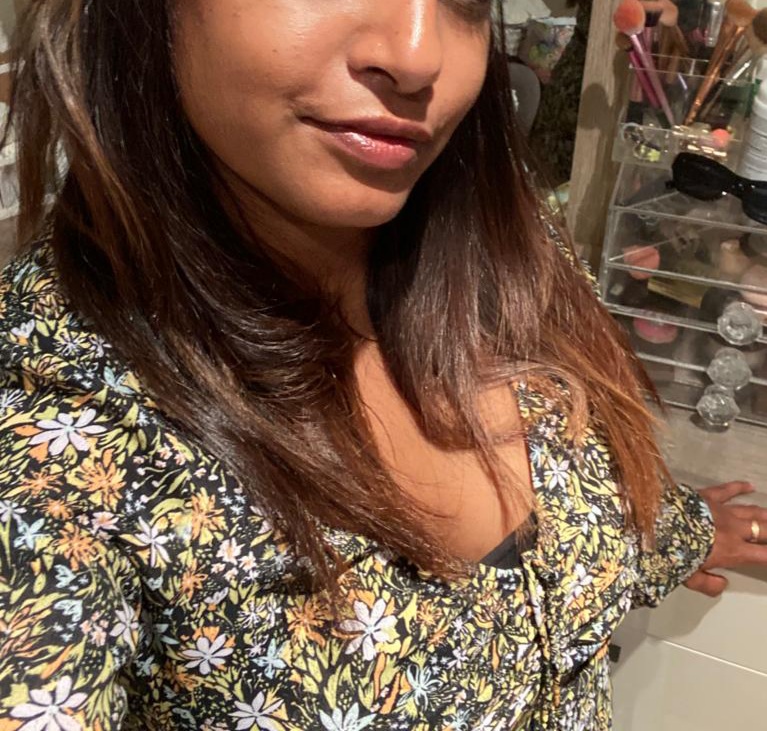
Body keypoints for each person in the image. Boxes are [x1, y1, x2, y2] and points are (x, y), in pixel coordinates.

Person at [0, 2, 765, 729]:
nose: (418, 55)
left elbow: (585, 497)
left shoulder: (502, 246)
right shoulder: (53, 446)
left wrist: (682, 532)